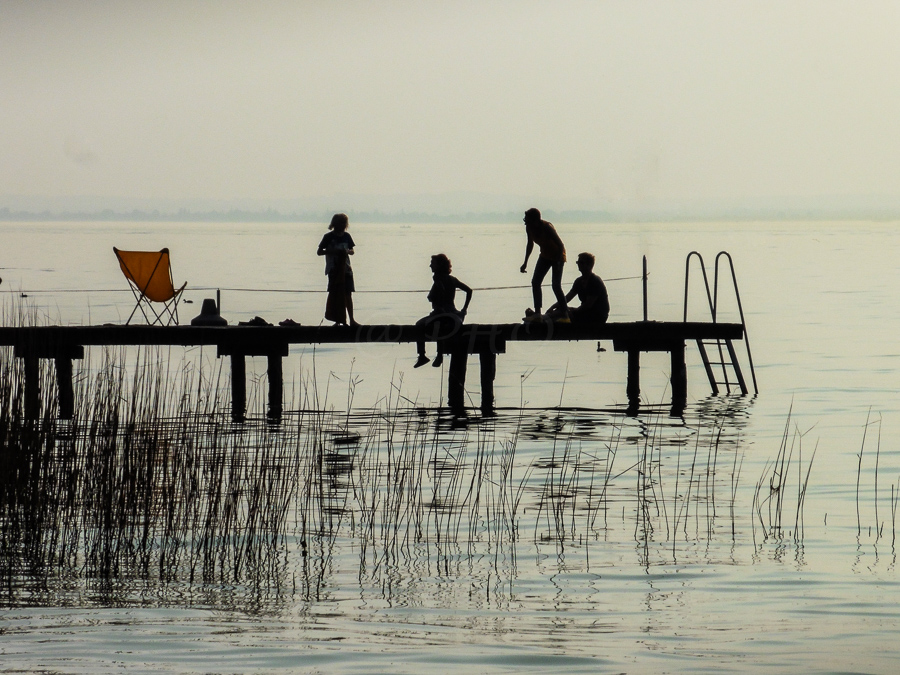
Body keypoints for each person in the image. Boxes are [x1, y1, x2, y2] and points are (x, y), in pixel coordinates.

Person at [414, 254, 473, 368]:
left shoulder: (438, 279)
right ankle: (438, 355)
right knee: (439, 326)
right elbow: (469, 291)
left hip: (442, 312)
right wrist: (463, 310)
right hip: (452, 312)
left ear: (439, 265)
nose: (430, 265)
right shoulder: (452, 279)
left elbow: (440, 292)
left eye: (433, 263)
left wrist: (439, 299)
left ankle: (423, 355)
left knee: (420, 325)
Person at [520, 207, 566, 319]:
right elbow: (530, 244)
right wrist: (525, 262)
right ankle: (537, 313)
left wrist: (558, 263)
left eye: (529, 221)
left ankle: (565, 313)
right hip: (545, 255)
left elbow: (560, 245)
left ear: (536, 220)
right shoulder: (529, 228)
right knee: (535, 282)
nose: (527, 224)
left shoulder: (547, 227)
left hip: (557, 255)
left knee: (556, 285)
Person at [317, 213, 359, 327]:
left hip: (346, 269)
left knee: (348, 294)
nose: (342, 225)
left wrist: (347, 252)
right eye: (340, 223)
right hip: (333, 269)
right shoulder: (328, 237)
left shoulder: (347, 236)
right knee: (336, 294)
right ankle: (338, 320)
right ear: (334, 224)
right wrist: (333, 251)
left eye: (344, 223)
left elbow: (352, 251)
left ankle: (351, 320)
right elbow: (319, 252)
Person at [545, 252, 610, 324]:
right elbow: (567, 298)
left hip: (597, 316)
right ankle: (544, 317)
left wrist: (573, 311)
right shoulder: (579, 281)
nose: (579, 264)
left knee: (563, 313)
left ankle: (544, 318)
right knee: (561, 309)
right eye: (578, 262)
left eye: (581, 262)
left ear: (589, 265)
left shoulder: (595, 281)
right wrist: (553, 307)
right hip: (584, 312)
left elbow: (588, 305)